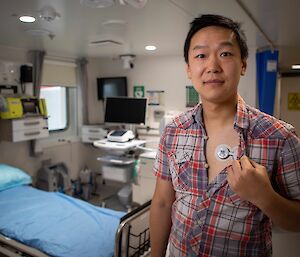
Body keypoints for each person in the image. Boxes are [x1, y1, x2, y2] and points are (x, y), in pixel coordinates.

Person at [150, 14, 300, 257]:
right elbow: (162, 202)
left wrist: (265, 198)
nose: (212, 66)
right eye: (200, 55)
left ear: (243, 64)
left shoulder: (279, 138)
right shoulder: (173, 131)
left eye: (225, 54)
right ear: (189, 69)